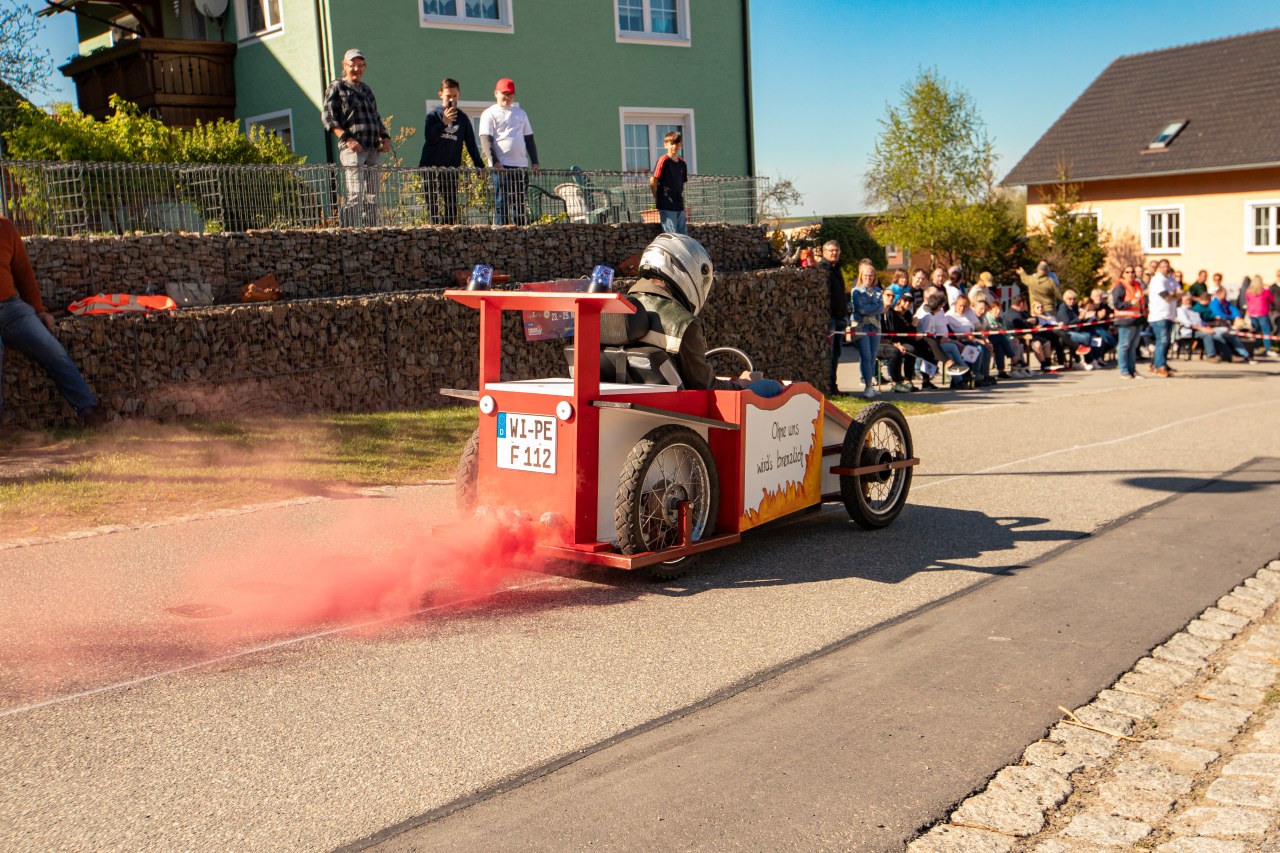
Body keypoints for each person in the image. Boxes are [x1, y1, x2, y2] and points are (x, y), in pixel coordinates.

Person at [625, 233, 780, 396]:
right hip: (676, 413)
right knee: (771, 388)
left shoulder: (619, 310)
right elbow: (708, 390)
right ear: (686, 270)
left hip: (628, 406)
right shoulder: (683, 323)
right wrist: (743, 383)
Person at [1, 216, 107, 425]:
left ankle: (88, 410)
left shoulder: (5, 227)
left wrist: (39, 310)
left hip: (13, 308)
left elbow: (23, 272)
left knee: (51, 348)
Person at [322, 48, 392, 227]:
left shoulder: (367, 90)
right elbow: (328, 118)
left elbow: (375, 117)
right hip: (353, 148)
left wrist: (384, 136)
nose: (356, 69)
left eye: (360, 66)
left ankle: (371, 231)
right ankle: (348, 232)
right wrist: (347, 139)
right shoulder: (338, 86)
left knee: (373, 197)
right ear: (344, 66)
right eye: (352, 65)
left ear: (364, 67)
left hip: (372, 148)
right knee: (356, 194)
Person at [418, 78, 485, 226]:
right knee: (433, 207)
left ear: (459, 95)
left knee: (451, 207)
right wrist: (444, 123)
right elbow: (430, 138)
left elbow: (471, 144)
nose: (452, 99)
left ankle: (449, 238)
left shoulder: (463, 118)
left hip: (450, 169)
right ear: (441, 94)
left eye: (454, 96)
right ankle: (434, 234)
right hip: (430, 168)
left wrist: (479, 165)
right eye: (448, 96)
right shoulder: (433, 115)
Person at [479, 78, 540, 226]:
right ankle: (500, 234)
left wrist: (535, 162)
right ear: (496, 93)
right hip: (501, 167)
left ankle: (520, 234)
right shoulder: (489, 113)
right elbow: (486, 140)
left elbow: (529, 139)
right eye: (504, 93)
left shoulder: (521, 113)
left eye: (510, 94)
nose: (507, 97)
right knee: (502, 202)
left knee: (519, 203)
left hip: (520, 165)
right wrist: (495, 162)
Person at [849, 258, 884, 398]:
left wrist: (871, 308)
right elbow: (860, 309)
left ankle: (871, 381)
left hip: (875, 326)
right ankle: (868, 385)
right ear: (861, 276)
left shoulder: (878, 291)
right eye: (865, 276)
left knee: (873, 356)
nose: (868, 278)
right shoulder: (856, 291)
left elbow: (881, 308)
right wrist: (873, 307)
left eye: (870, 276)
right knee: (866, 355)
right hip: (861, 326)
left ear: (874, 277)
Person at [944, 293, 994, 386]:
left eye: (965, 306)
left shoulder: (969, 312)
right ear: (956, 304)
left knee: (985, 347)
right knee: (978, 349)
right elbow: (948, 334)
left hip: (971, 338)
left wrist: (987, 341)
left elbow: (978, 327)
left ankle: (982, 375)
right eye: (960, 306)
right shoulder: (949, 316)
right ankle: (974, 375)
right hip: (958, 340)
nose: (962, 309)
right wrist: (964, 337)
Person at [818, 240, 848, 394]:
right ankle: (829, 388)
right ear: (824, 252)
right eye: (831, 250)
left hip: (840, 318)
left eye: (836, 250)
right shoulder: (822, 270)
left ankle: (834, 387)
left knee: (836, 354)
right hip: (830, 320)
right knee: (829, 355)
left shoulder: (837, 269)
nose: (834, 253)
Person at [650, 131, 689, 235]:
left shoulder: (682, 163)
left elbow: (681, 184)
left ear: (681, 144)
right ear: (665, 145)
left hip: (679, 205)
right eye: (671, 143)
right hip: (667, 206)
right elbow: (653, 180)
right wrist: (657, 196)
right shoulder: (663, 161)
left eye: (677, 143)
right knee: (672, 236)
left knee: (683, 236)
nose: (674, 146)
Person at [879, 291, 919, 393]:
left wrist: (899, 344)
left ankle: (907, 380)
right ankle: (895, 383)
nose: (890, 297)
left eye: (893, 296)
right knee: (895, 352)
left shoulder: (893, 313)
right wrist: (895, 345)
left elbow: (903, 332)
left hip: (894, 342)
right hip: (879, 343)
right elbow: (879, 335)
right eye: (888, 295)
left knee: (911, 349)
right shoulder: (877, 312)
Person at [1147, 258, 1180, 377]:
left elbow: (1180, 292)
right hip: (1159, 315)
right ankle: (1159, 366)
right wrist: (1174, 295)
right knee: (1163, 340)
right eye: (1163, 266)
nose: (1166, 268)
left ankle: (1159, 364)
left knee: (1165, 342)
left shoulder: (1170, 279)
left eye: (1167, 266)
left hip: (1169, 315)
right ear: (1159, 268)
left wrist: (1175, 295)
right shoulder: (1157, 280)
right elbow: (1167, 297)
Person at [1111, 265, 1145, 379]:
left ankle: (1132, 370)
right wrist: (1130, 303)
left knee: (1133, 347)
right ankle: (1124, 370)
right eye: (1128, 272)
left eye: (1132, 272)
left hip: (1137, 319)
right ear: (1123, 274)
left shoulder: (1136, 285)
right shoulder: (1120, 287)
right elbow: (1117, 304)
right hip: (1125, 320)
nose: (1130, 274)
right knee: (1124, 346)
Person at [1056, 289, 1103, 369]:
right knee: (1085, 338)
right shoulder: (1063, 308)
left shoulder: (1074, 307)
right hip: (1067, 333)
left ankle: (1095, 358)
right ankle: (1088, 360)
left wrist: (1086, 318)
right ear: (1065, 299)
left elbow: (1079, 320)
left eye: (1074, 299)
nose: (1072, 301)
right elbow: (1067, 323)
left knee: (1095, 337)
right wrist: (1079, 318)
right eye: (1069, 299)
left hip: (1077, 330)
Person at [1244, 274, 1277, 357]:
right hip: (1262, 313)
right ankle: (1268, 349)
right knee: (1266, 332)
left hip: (1252, 313)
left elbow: (1247, 301)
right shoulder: (1265, 291)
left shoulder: (1248, 291)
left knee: (1255, 332)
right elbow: (1272, 299)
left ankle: (1255, 348)